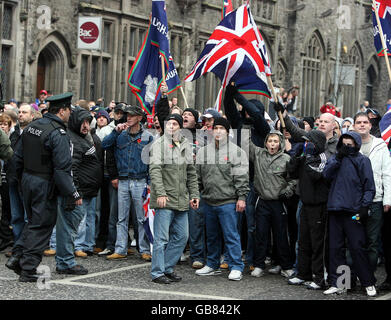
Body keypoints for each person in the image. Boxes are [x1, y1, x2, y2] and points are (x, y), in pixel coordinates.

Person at [5, 93, 82, 282]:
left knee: (32, 222)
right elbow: (62, 169)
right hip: (44, 183)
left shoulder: (32, 127)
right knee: (42, 224)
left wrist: (17, 180)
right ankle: (28, 267)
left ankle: (17, 257)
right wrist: (72, 192)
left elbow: (17, 157)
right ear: (62, 110)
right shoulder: (58, 133)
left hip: (27, 180)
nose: (70, 114)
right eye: (68, 111)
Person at [322, 131, 377, 297]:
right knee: (336, 249)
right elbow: (326, 175)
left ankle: (368, 282)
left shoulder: (363, 160)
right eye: (344, 143)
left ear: (356, 144)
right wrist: (338, 158)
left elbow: (369, 187)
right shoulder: (336, 159)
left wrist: (363, 207)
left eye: (349, 144)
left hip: (353, 211)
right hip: (335, 210)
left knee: (357, 248)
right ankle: (340, 283)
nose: (346, 146)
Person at [195, 117, 249, 281]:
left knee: (231, 235)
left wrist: (242, 197)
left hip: (228, 201)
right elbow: (197, 177)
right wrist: (196, 194)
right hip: (209, 200)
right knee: (211, 236)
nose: (218, 131)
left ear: (227, 131)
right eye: (215, 128)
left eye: (222, 128)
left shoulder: (237, 152)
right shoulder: (203, 152)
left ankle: (236, 266)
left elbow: (242, 177)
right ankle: (212, 264)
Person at [149, 114, 200, 284]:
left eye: (175, 124)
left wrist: (194, 195)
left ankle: (167, 268)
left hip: (182, 199)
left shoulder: (185, 144)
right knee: (161, 239)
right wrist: (161, 194)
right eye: (169, 123)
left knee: (182, 237)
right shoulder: (159, 144)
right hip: (165, 199)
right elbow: (155, 171)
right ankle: (157, 272)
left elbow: (191, 173)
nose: (171, 126)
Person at [102, 105, 154, 261]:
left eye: (131, 115)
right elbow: (104, 145)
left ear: (139, 118)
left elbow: (152, 161)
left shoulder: (148, 136)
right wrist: (114, 131)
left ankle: (144, 249)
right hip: (124, 180)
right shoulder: (120, 134)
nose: (128, 118)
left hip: (140, 179)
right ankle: (120, 248)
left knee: (141, 218)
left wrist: (150, 181)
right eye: (127, 115)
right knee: (121, 217)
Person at [250, 130, 296, 278]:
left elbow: (293, 179)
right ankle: (259, 265)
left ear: (280, 143)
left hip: (278, 203)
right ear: (266, 143)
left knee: (281, 236)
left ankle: (286, 266)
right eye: (270, 141)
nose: (272, 144)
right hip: (262, 201)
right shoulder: (258, 154)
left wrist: (287, 191)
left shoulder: (286, 158)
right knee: (261, 235)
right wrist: (245, 122)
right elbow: (246, 143)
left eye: (275, 141)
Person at [287, 130, 329, 290]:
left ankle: (319, 278)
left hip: (319, 206)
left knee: (317, 243)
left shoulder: (323, 157)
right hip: (304, 203)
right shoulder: (306, 157)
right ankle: (302, 274)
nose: (306, 145)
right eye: (305, 142)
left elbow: (317, 175)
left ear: (316, 143)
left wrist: (309, 159)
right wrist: (296, 157)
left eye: (309, 142)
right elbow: (292, 173)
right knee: (303, 241)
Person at [353, 112, 391, 277]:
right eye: (359, 122)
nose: (362, 125)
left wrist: (387, 199)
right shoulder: (349, 144)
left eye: (365, 122)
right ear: (354, 126)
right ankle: (348, 279)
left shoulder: (380, 145)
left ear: (370, 125)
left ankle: (368, 279)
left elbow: (387, 173)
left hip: (375, 201)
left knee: (372, 243)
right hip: (353, 202)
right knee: (352, 242)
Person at [63, 107, 103, 260]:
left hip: (91, 187)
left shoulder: (89, 138)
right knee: (79, 220)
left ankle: (86, 244)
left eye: (88, 122)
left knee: (89, 217)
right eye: (83, 122)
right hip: (81, 189)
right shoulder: (74, 139)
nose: (86, 126)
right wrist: (76, 191)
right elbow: (72, 168)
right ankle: (76, 247)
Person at [5, 104, 35, 251]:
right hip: (13, 179)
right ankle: (18, 246)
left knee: (27, 216)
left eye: (25, 112)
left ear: (32, 116)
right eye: (20, 112)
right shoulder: (13, 133)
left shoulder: (35, 133)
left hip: (27, 179)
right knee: (16, 216)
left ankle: (27, 246)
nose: (21, 114)